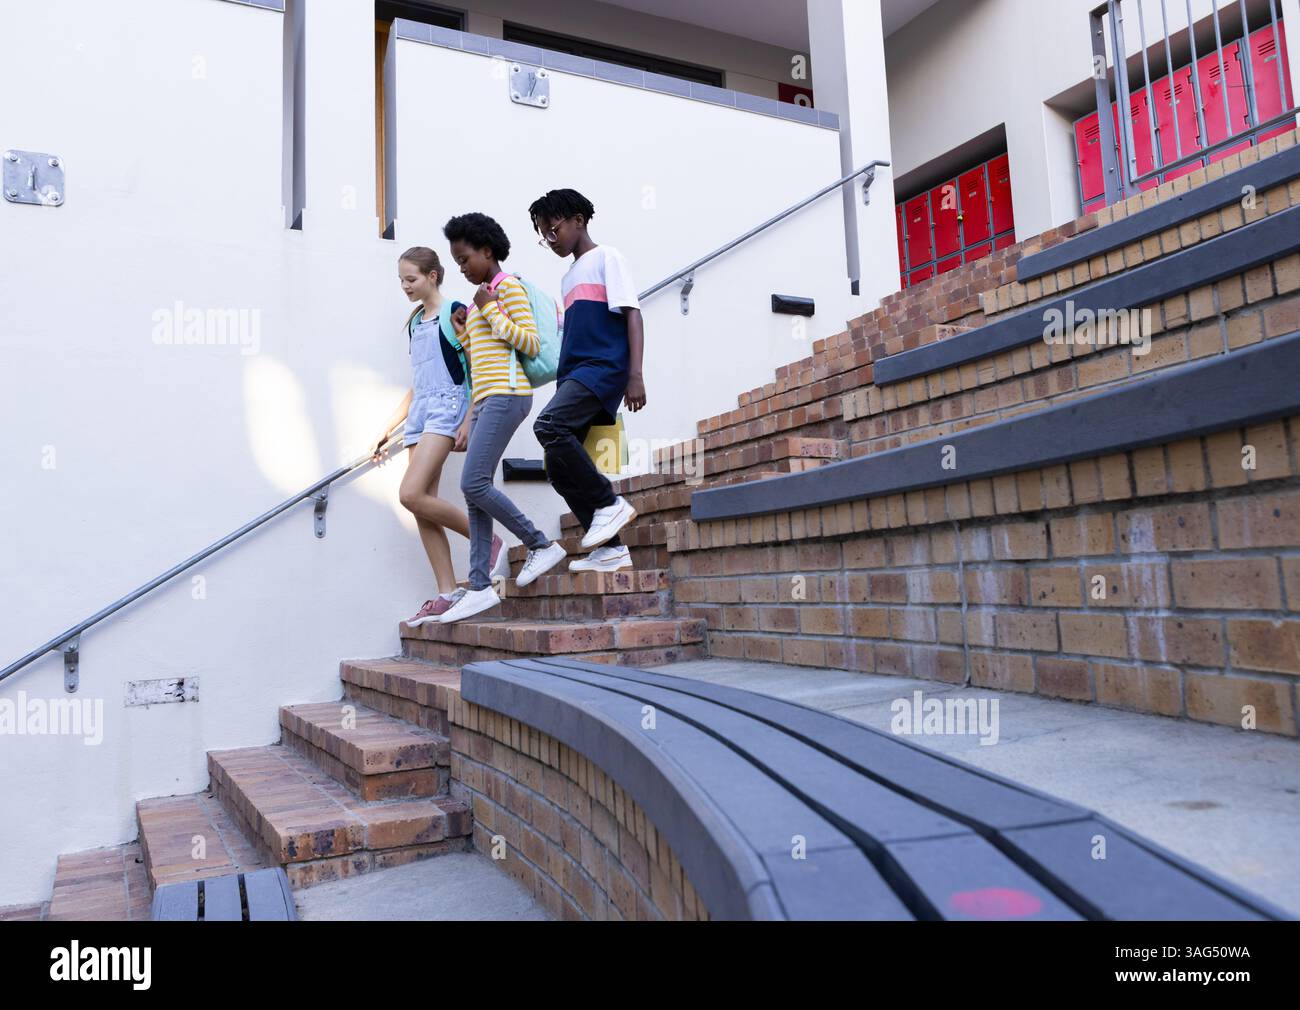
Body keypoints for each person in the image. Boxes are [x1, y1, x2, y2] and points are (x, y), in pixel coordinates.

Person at [439, 212, 568, 624]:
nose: (462, 268)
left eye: (465, 259)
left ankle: (539, 544)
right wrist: (466, 329)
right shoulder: (482, 297)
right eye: (457, 262)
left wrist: (490, 310)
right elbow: (485, 357)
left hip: (507, 395)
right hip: (485, 399)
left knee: (472, 482)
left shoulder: (506, 288)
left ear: (487, 250)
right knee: (475, 491)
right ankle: (479, 585)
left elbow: (529, 343)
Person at [370, 247, 503, 627]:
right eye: (401, 280)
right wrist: (389, 426)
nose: (405, 286)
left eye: (410, 279)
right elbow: (420, 382)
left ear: (432, 276)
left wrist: (470, 419)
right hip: (421, 412)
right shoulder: (415, 322)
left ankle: (487, 541)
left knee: (409, 494)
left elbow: (476, 366)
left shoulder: (456, 312)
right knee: (421, 504)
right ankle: (446, 591)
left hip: (448, 407)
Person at [528, 189, 645, 573]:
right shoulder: (567, 278)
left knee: (548, 425)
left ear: (578, 220)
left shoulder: (607, 257)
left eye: (553, 229)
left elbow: (632, 314)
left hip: (603, 367)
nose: (550, 239)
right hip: (576, 375)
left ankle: (610, 504)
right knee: (557, 468)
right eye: (543, 235)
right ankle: (612, 550)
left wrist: (635, 374)